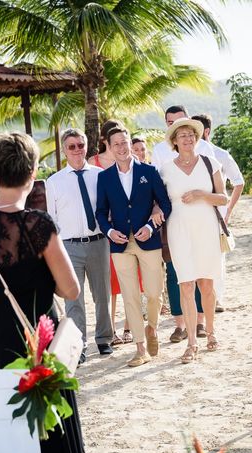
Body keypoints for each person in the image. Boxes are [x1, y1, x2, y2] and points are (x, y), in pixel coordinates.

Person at [0, 132, 85, 453]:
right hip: (36, 332)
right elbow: (71, 289)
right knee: (43, 436)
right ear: (33, 172)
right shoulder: (37, 223)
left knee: (4, 431)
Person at [96, 125, 172, 367]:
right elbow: (99, 213)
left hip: (148, 240)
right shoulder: (104, 177)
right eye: (115, 143)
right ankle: (140, 348)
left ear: (130, 144)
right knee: (130, 296)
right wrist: (109, 231)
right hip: (120, 245)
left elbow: (166, 205)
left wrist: (151, 226)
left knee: (153, 293)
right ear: (109, 147)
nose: (121, 147)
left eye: (124, 142)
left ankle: (152, 328)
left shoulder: (148, 172)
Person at [159, 118, 228, 363]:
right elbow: (160, 201)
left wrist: (201, 194)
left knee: (206, 285)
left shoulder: (210, 163)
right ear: (175, 141)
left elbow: (223, 198)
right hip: (179, 230)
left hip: (206, 228)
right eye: (182, 136)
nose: (187, 139)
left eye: (191, 135)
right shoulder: (165, 169)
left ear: (196, 139)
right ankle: (191, 342)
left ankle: (210, 332)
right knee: (186, 284)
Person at [46, 128, 113, 363]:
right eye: (72, 146)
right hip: (69, 246)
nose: (77, 150)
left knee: (102, 294)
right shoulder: (53, 182)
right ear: (64, 150)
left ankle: (105, 339)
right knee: (74, 299)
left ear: (87, 146)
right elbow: (50, 219)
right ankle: (79, 344)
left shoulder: (100, 175)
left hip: (99, 242)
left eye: (81, 145)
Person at [152, 106, 209, 341]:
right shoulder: (158, 151)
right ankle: (180, 324)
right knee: (176, 273)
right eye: (169, 122)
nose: (174, 124)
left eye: (179, 121)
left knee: (201, 271)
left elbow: (214, 185)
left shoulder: (204, 150)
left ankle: (201, 322)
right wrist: (156, 207)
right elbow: (156, 187)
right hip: (173, 220)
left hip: (201, 218)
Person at [191, 114, 245, 313]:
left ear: (206, 131)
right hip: (193, 214)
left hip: (217, 213)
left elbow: (239, 182)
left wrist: (229, 209)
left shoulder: (220, 154)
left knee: (217, 257)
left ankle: (217, 299)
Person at [89, 119, 135, 344]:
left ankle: (129, 327)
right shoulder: (93, 163)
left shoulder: (131, 160)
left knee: (129, 279)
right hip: (104, 229)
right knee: (111, 284)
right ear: (105, 140)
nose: (119, 144)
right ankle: (112, 329)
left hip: (129, 227)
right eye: (113, 139)